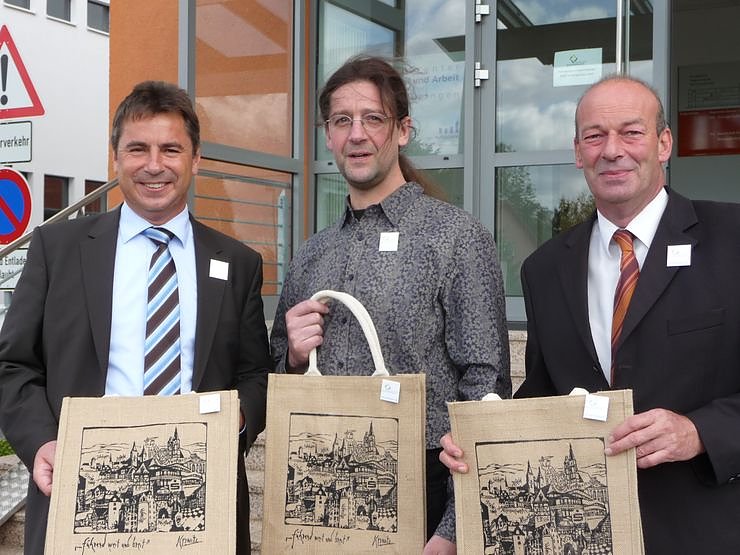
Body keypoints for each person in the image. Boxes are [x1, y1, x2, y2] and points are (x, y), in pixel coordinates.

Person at [440, 75, 740, 552]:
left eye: (631, 132)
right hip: (583, 534)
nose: (612, 150)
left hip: (706, 529)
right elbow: (544, 391)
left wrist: (699, 431)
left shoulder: (731, 238)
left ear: (663, 144)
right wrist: (484, 440)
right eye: (595, 136)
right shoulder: (545, 269)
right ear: (578, 152)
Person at [0, 81, 271, 555]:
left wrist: (237, 420)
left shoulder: (237, 263)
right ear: (115, 157)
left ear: (196, 159)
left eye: (171, 149)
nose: (154, 165)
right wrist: (41, 442)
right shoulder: (57, 249)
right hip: (82, 496)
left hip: (199, 506)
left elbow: (255, 375)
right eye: (137, 149)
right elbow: (13, 364)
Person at [269, 55, 511, 554]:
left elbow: (487, 391)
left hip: (426, 491)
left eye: (373, 119)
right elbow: (276, 375)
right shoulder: (312, 253)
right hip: (324, 490)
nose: (357, 134)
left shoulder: (455, 237)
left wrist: (453, 528)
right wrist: (291, 356)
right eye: (342, 121)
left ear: (402, 131)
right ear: (328, 136)